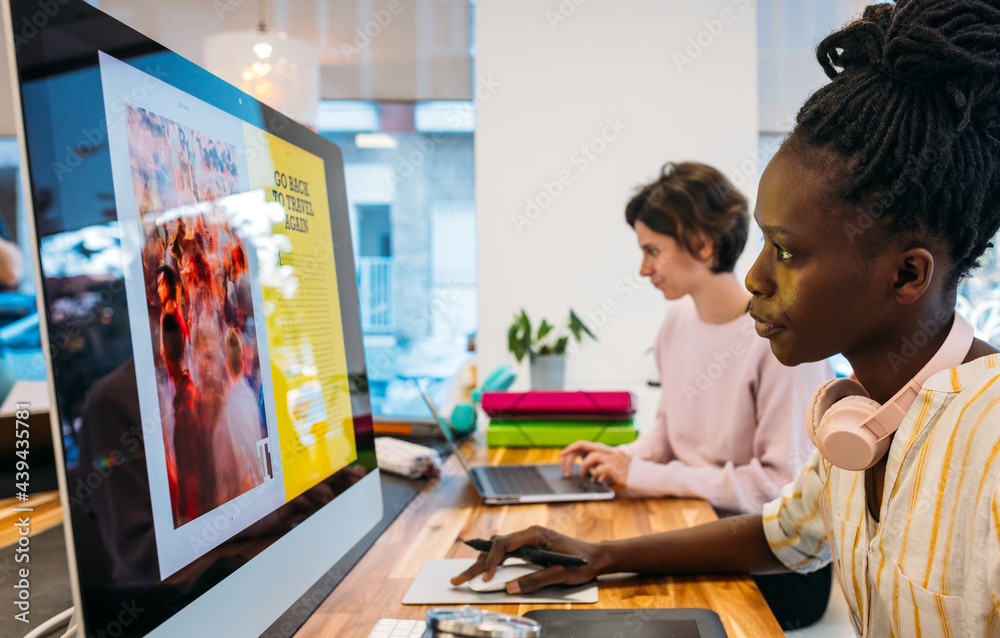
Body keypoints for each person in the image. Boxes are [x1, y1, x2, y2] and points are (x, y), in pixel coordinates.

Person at [453, 2, 1000, 636]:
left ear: (906, 275)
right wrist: (602, 555)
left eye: (787, 252)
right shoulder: (857, 414)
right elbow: (782, 534)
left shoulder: (988, 438)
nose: (755, 277)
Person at [560, 162, 833, 517]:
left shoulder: (779, 341)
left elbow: (778, 484)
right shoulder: (676, 323)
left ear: (703, 246)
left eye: (652, 251)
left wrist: (642, 474)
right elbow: (668, 432)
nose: (643, 269)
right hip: (692, 515)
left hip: (757, 544)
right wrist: (621, 458)